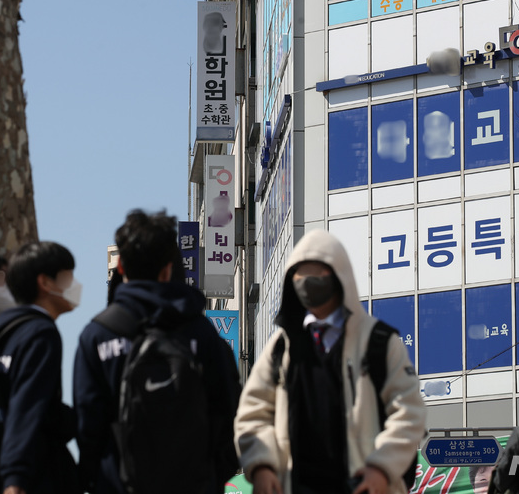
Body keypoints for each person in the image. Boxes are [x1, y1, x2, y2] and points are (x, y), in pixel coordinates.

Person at [234, 229, 427, 494]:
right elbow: (251, 413)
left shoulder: (379, 342)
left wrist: (382, 467)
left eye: (316, 273)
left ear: (339, 276)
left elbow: (409, 411)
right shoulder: (281, 346)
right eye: (299, 274)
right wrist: (262, 465)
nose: (306, 282)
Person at [73, 209, 241, 494]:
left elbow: (88, 425)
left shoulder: (98, 336)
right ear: (168, 269)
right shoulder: (201, 332)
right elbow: (229, 411)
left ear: (122, 268)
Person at [0, 241, 81, 494]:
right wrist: (15, 479)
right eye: (68, 277)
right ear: (46, 283)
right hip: (33, 478)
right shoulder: (40, 333)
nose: (75, 286)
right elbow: (26, 406)